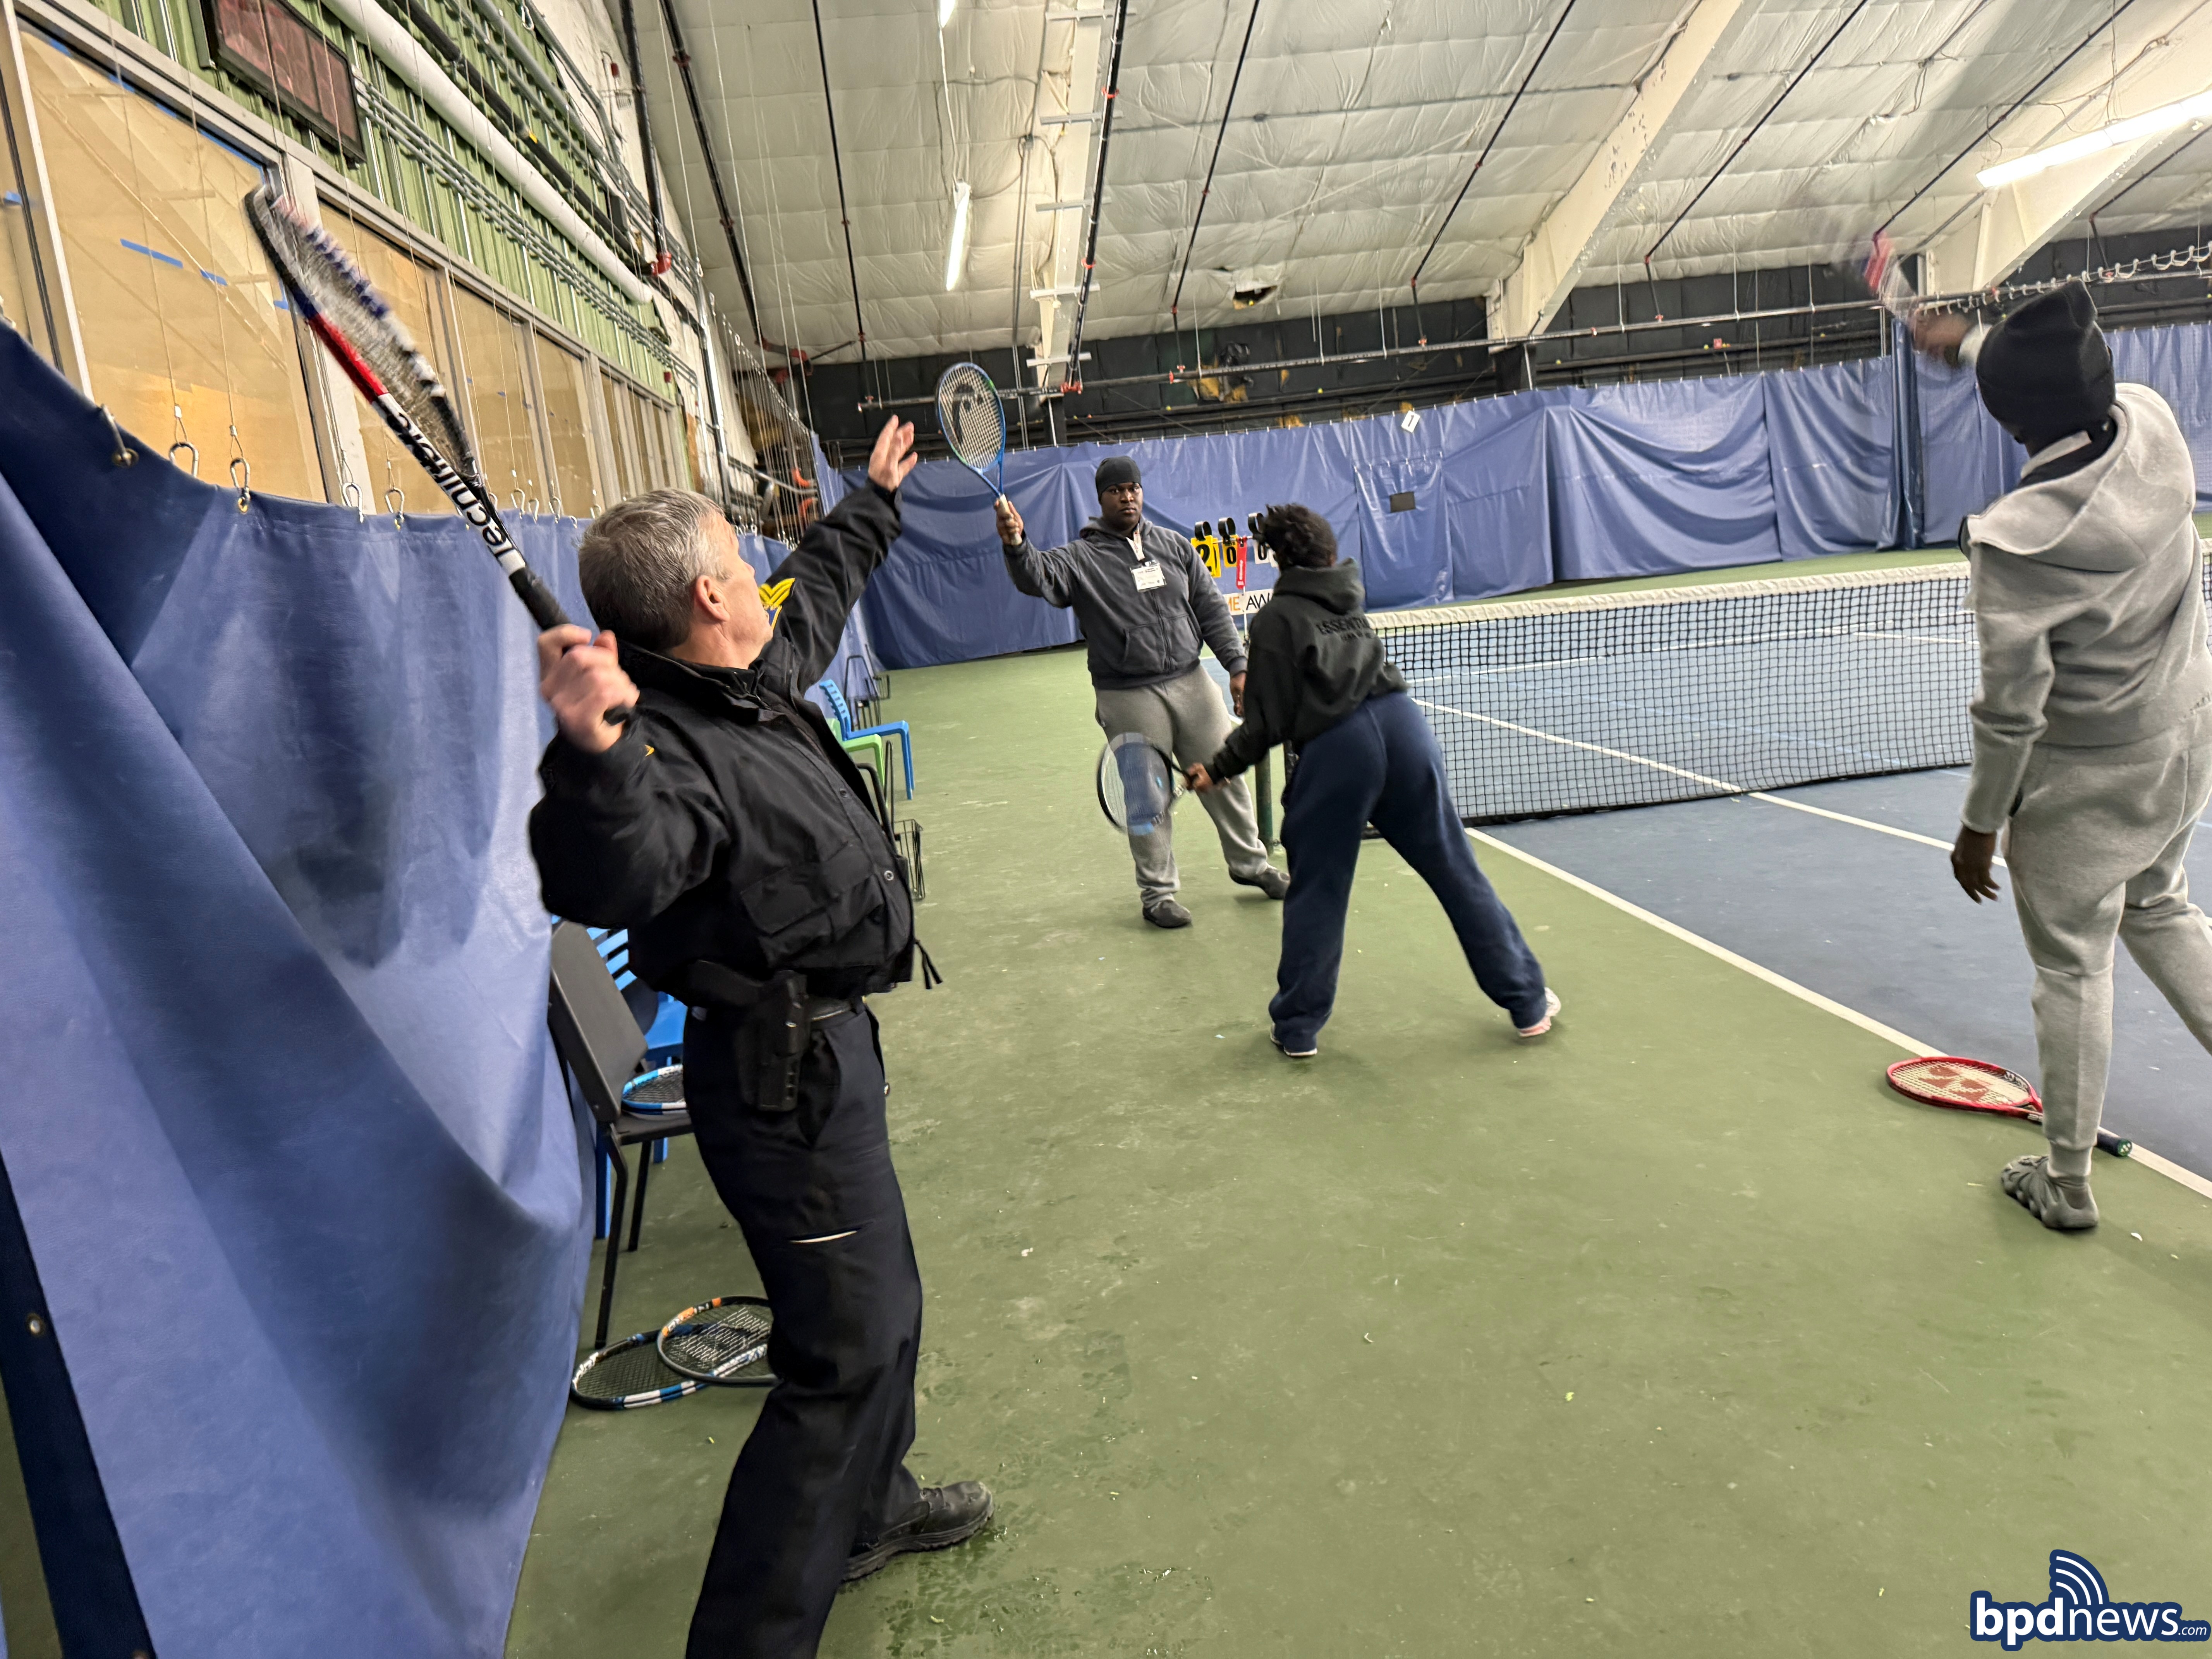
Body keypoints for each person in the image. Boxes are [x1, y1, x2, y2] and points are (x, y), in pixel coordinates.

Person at [529, 417, 990, 1658]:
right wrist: (589, 757)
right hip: (779, 1088)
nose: (758, 565)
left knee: (881, 1314)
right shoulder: (660, 749)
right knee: (838, 1360)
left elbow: (823, 594)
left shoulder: (746, 684)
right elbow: (612, 869)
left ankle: (873, 1510)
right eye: (741, 552)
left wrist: (875, 502)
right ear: (709, 591)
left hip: (832, 1062)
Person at [1917, 282, 2212, 1231]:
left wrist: (1978, 826)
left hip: (2087, 784)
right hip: (2184, 740)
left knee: (2073, 971)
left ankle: (2068, 1186)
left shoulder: (2017, 544)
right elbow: (2068, 380)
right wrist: (1970, 346)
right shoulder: (2155, 430)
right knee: (2162, 907)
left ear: (2005, 415)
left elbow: (2011, 716)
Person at [1185, 503, 1557, 1058]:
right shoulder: (1349, 595)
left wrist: (1216, 769)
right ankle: (1528, 1004)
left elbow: (1266, 725)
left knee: (1319, 891)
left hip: (1340, 752)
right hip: (1406, 729)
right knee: (1456, 869)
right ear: (1329, 556)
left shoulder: (1275, 621)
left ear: (1279, 561)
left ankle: (1298, 1029)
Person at [996, 456, 1288, 928]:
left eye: (1133, 488)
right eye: (1117, 491)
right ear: (1102, 499)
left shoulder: (1173, 546)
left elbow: (1211, 607)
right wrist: (1015, 542)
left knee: (1226, 773)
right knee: (1147, 798)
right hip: (1128, 694)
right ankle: (1158, 896)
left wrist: (1237, 666)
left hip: (1193, 682)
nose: (1127, 497)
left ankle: (1251, 865)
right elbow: (1038, 576)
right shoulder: (1081, 558)